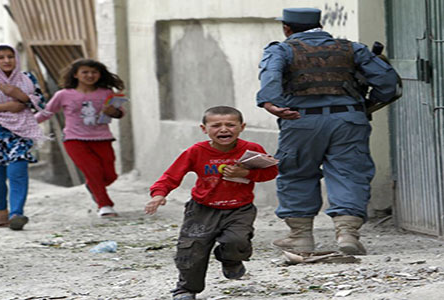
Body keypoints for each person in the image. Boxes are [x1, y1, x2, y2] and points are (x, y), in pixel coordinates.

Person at [256, 8, 400, 255]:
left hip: (301, 120)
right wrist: (364, 105)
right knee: (349, 173)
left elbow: (271, 76)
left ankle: (300, 237)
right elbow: (389, 84)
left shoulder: (280, 49)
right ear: (320, 25)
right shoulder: (353, 49)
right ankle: (347, 234)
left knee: (297, 173)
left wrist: (272, 104)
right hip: (349, 120)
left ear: (287, 29)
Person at [145, 106, 278, 300]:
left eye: (230, 125)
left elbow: (271, 172)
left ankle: (230, 259)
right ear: (204, 129)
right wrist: (158, 194)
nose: (224, 129)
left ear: (241, 127)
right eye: (216, 125)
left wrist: (246, 173)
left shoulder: (252, 150)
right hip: (202, 209)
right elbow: (171, 176)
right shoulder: (196, 152)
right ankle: (186, 289)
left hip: (239, 208)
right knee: (191, 250)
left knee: (237, 241)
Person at [35, 59, 125, 217]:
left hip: (102, 138)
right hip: (74, 139)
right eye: (85, 72)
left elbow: (120, 113)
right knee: (92, 170)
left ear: (99, 75)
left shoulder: (106, 93)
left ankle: (93, 186)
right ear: (76, 74)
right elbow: (46, 113)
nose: (90, 75)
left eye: (94, 72)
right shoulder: (63, 95)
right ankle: (104, 205)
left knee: (110, 175)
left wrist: (113, 112)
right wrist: (24, 124)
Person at [0, 43, 46, 230]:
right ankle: (0, 212)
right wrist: (8, 106)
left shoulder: (27, 79)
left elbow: (42, 102)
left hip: (20, 131)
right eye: (1, 57)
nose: (6, 61)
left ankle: (17, 214)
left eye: (10, 56)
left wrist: (19, 94)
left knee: (18, 169)